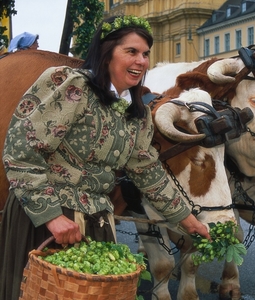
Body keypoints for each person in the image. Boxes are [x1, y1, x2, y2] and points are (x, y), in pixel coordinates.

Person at [0, 15, 210, 300]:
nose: (141, 61)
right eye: (132, 51)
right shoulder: (71, 87)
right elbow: (21, 151)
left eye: (146, 54)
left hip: (97, 223)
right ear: (106, 52)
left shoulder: (135, 112)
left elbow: (147, 170)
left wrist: (187, 219)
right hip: (46, 222)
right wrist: (51, 217)